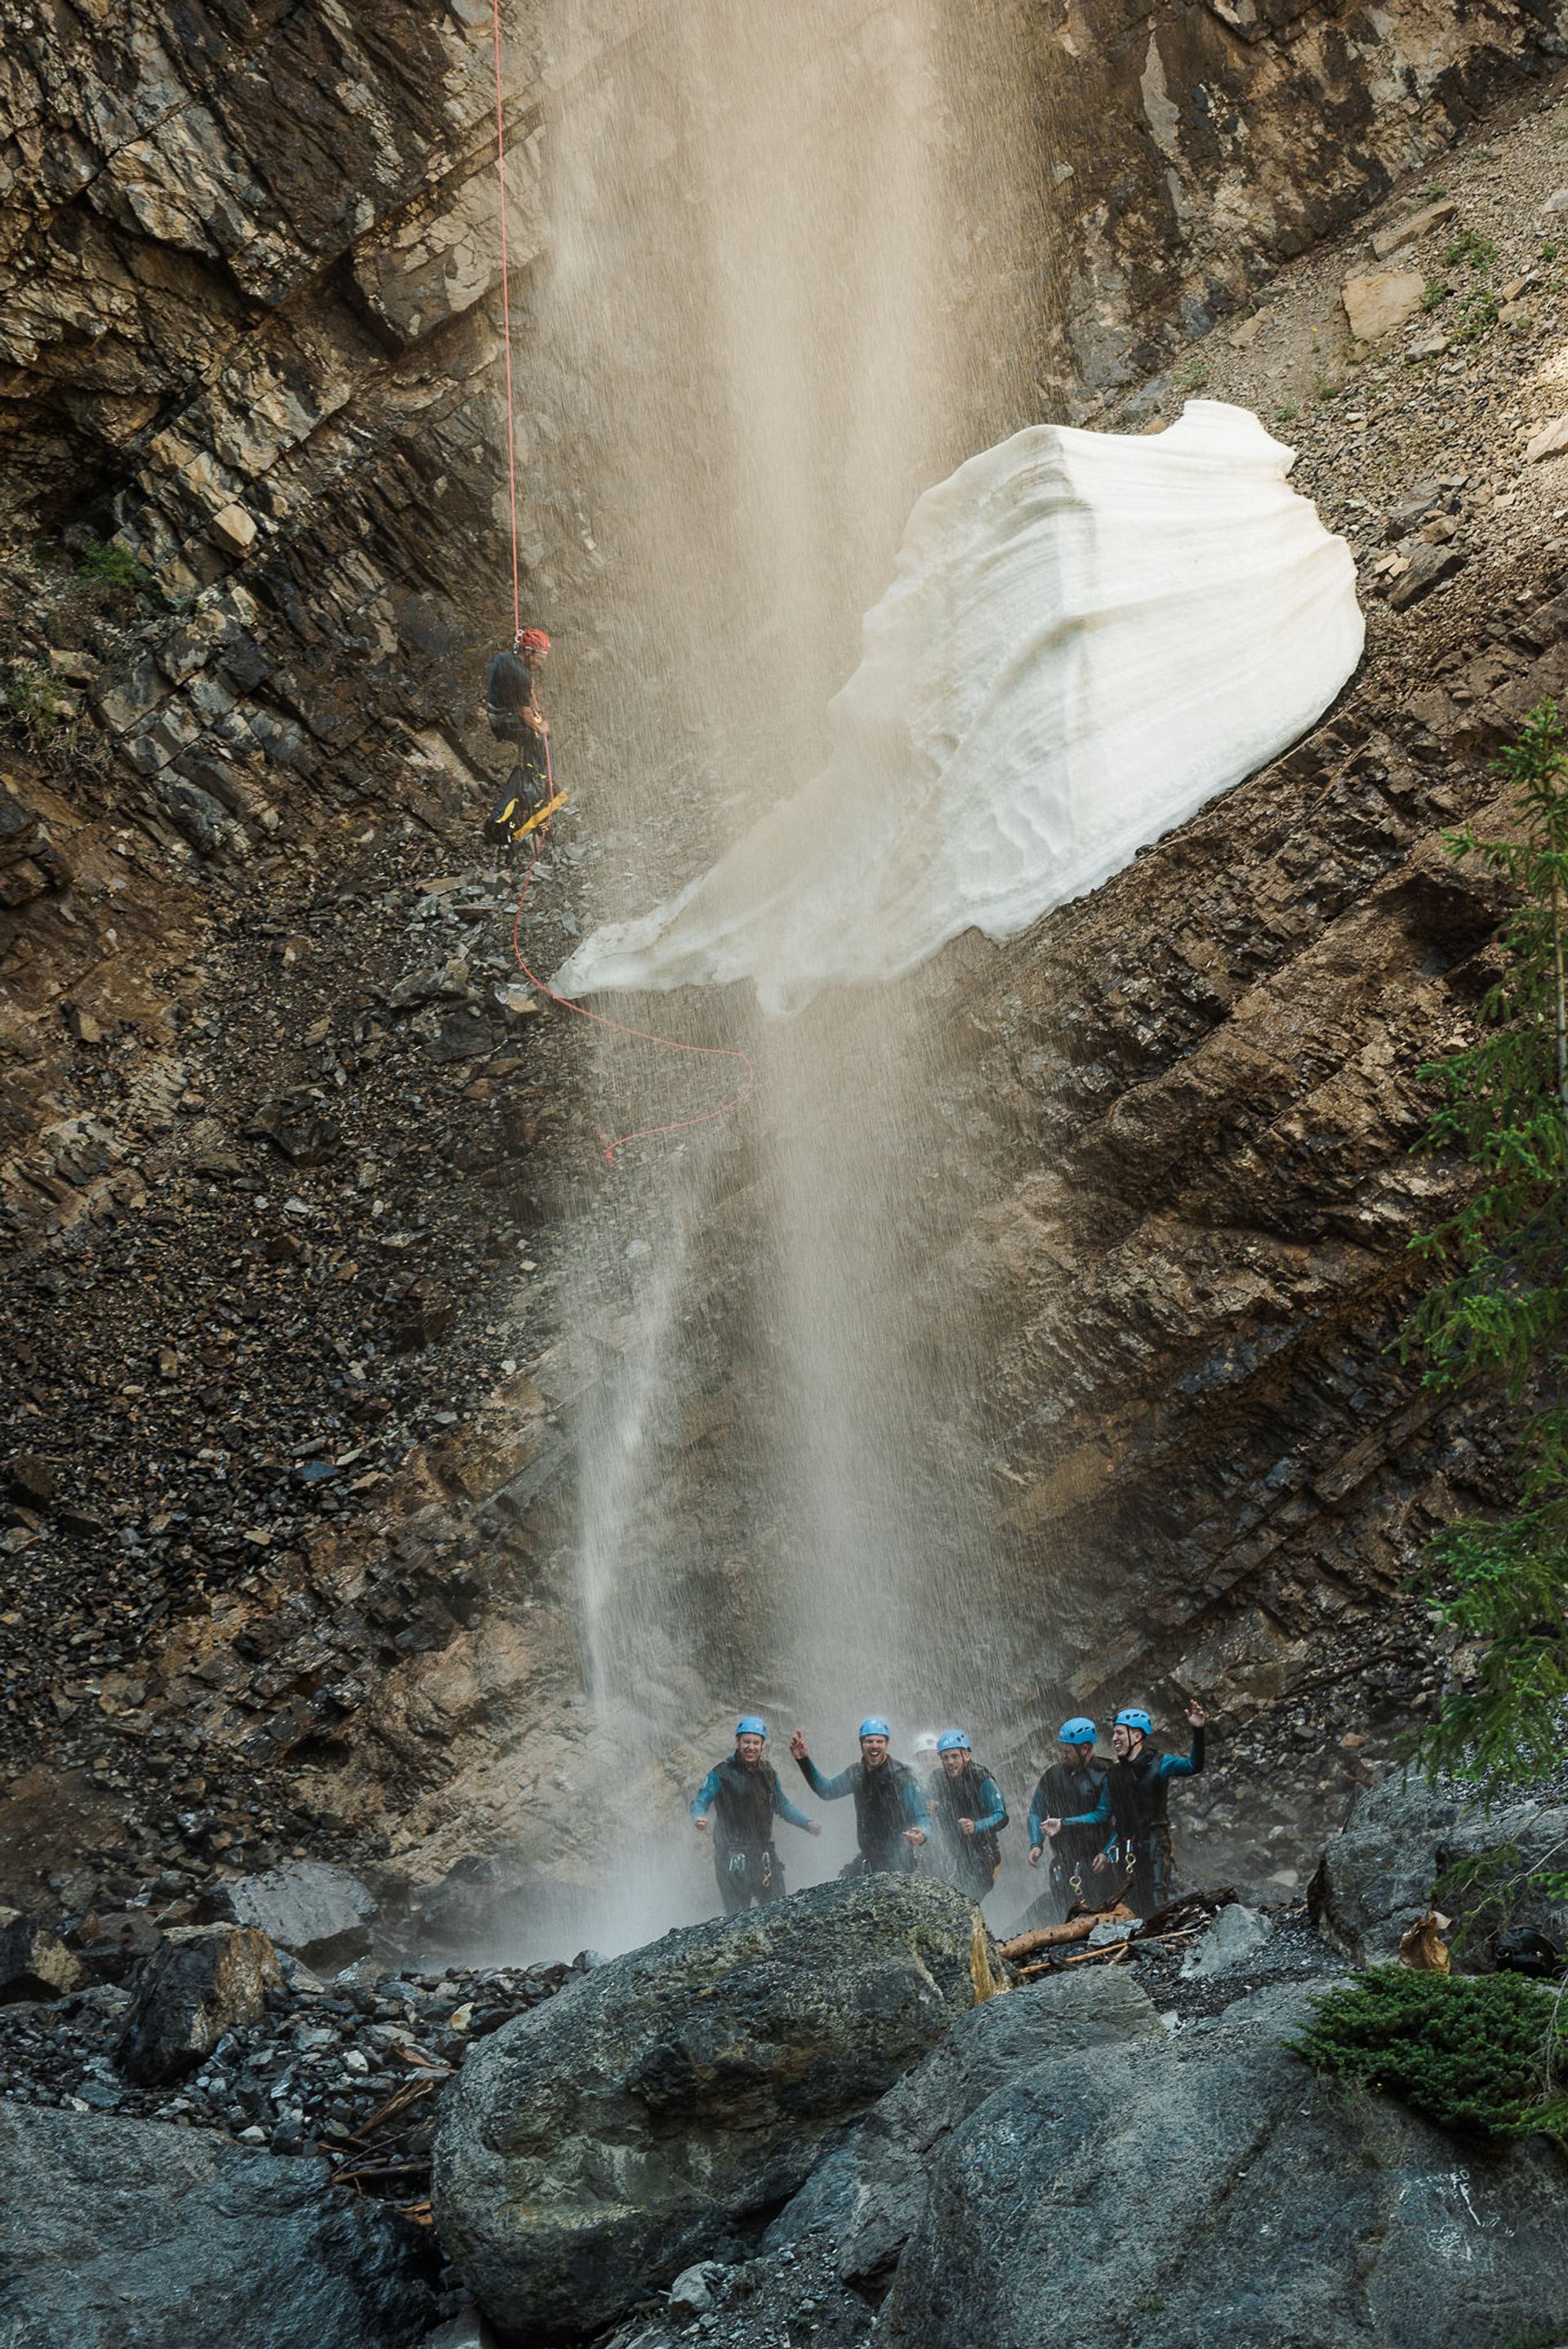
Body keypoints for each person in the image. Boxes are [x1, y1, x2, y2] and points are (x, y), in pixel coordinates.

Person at [692, 1715, 822, 1915]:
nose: (750, 1747)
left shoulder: (767, 1774)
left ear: (762, 1746)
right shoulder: (721, 1774)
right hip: (731, 1857)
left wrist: (807, 1823)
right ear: (738, 1742)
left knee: (778, 1914)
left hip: (763, 1855)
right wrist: (698, 1816)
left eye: (755, 1743)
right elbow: (701, 1800)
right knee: (736, 1918)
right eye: (746, 1742)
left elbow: (783, 1805)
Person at [1094, 1701, 1207, 1918]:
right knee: (1133, 1905)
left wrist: (1198, 1731)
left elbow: (1194, 1766)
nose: (1114, 1739)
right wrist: (1106, 1852)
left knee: (1157, 1902)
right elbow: (1118, 1821)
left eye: (1119, 1733)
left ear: (1137, 1736)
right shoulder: (1116, 1774)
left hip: (1156, 1846)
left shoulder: (1160, 1763)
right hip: (1128, 1850)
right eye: (1114, 1734)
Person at [788, 1718, 929, 1876]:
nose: (874, 1746)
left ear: (886, 1744)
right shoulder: (856, 1774)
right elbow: (826, 1791)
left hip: (899, 1862)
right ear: (862, 1744)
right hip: (869, 1858)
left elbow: (921, 1815)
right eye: (869, 1741)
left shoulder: (901, 1777)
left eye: (879, 1741)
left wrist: (921, 1834)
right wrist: (803, 1760)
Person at [1027, 1718, 1111, 1917]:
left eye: (1068, 1752)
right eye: (1062, 1751)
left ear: (1085, 1749)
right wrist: (1036, 1843)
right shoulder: (1053, 1775)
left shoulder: (1105, 1774)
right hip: (1064, 1862)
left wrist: (1107, 1851)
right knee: (1064, 1915)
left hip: (1097, 1862)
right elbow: (1036, 1811)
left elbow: (1106, 1815)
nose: (1063, 1756)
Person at [483, 626, 552, 852]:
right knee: (541, 743)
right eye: (540, 658)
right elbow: (524, 713)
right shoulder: (521, 674)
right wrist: (540, 727)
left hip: (497, 714)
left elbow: (510, 690)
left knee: (535, 743)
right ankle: (534, 787)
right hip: (507, 721)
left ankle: (530, 778)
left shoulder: (503, 659)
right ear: (529, 652)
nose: (541, 664)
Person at [925, 1729, 1007, 1902]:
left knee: (963, 1902)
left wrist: (976, 1825)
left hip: (983, 1855)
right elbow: (932, 1809)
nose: (950, 1762)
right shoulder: (937, 1778)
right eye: (945, 1757)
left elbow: (1001, 1816)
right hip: (954, 1853)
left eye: (955, 1756)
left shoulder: (981, 1778)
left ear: (967, 1755)